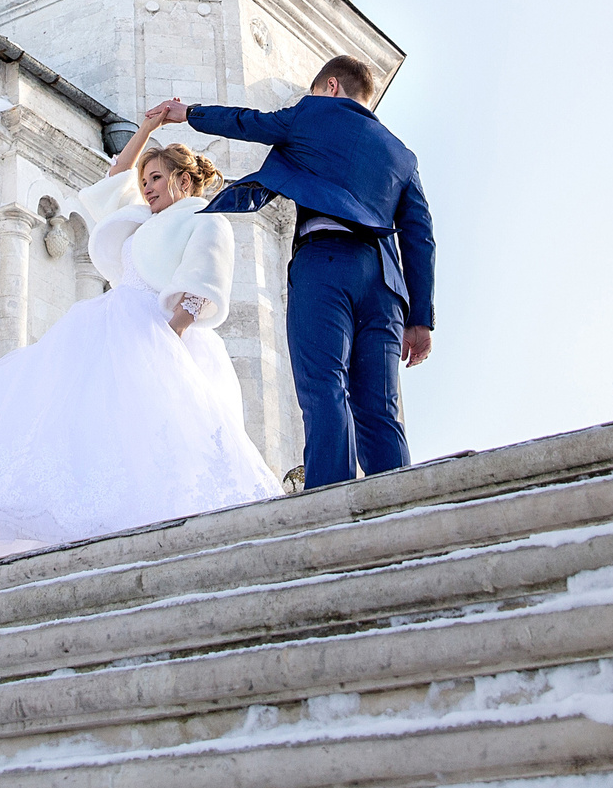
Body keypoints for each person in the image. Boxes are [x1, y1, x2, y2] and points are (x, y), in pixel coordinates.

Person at [0, 106, 282, 581]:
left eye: (158, 177)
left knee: (160, 437)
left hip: (157, 333)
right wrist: (147, 130)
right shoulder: (140, 218)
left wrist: (173, 333)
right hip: (112, 328)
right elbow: (116, 174)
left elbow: (203, 280)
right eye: (147, 178)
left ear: (184, 181)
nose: (147, 186)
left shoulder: (204, 218)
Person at [151, 56, 435, 490]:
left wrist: (188, 114)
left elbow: (248, 122)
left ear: (332, 86)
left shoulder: (312, 113)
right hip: (384, 283)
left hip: (325, 266)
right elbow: (420, 237)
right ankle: (403, 504)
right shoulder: (402, 154)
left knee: (324, 387)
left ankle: (330, 500)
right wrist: (420, 319)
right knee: (380, 405)